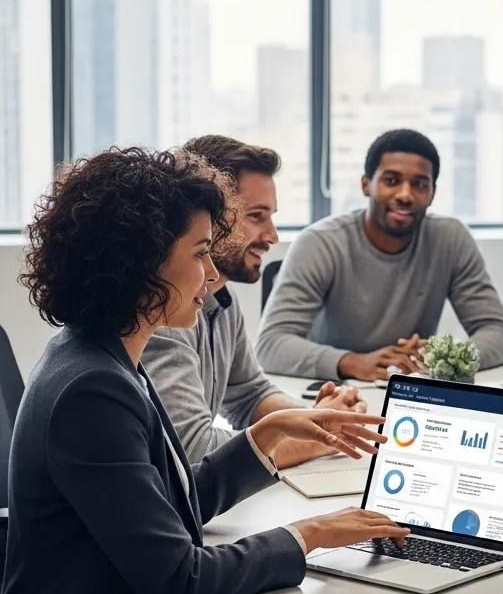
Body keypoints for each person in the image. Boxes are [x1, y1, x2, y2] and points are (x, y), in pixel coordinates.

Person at [0, 147, 407, 594]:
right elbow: (180, 579)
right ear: (138, 265)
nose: (212, 276)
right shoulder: (91, 389)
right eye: (197, 254)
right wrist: (312, 535)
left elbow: (170, 505)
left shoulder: (100, 357)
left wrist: (262, 438)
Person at [143, 134, 364, 464]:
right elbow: (192, 451)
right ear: (211, 217)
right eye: (256, 216)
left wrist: (319, 419)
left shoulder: (223, 301)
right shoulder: (164, 311)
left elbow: (250, 394)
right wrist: (322, 439)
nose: (272, 236)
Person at [256, 128, 503, 381]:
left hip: (414, 397)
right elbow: (270, 345)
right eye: (391, 181)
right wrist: (352, 362)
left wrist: (441, 359)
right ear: (366, 185)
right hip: (336, 394)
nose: (405, 195)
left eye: (419, 184)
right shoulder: (320, 243)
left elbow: (500, 334)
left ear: (432, 193)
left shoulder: (450, 239)